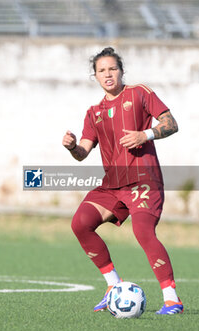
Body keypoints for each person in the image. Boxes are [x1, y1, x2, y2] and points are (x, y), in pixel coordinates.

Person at [62, 47, 184, 315]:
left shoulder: (140, 93)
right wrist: (71, 147)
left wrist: (146, 135)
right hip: (113, 184)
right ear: (94, 76)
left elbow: (171, 123)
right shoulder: (94, 112)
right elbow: (82, 152)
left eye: (112, 69)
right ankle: (112, 286)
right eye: (102, 70)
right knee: (80, 224)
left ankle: (172, 299)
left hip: (144, 180)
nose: (108, 74)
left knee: (143, 232)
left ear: (121, 71)